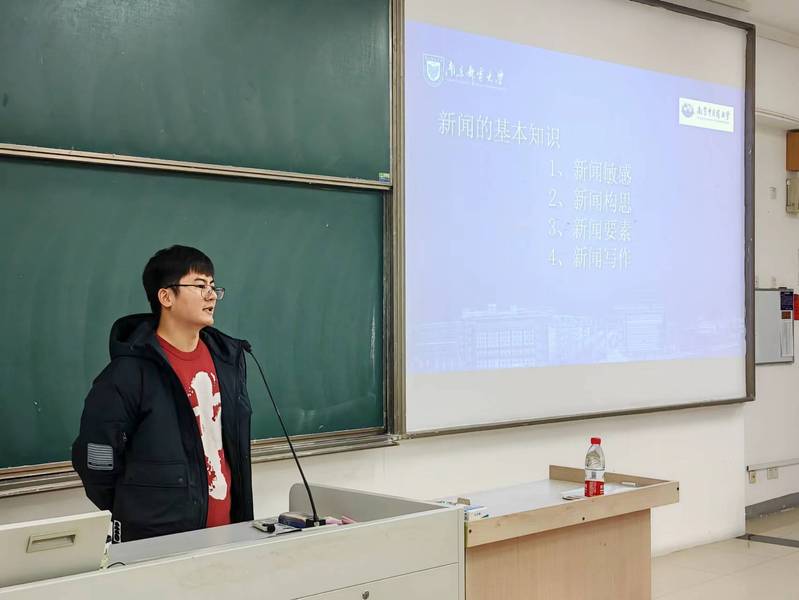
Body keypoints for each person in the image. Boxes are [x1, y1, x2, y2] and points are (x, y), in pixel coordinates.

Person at [72, 245, 253, 542]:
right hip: (159, 540)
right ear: (166, 297)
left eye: (213, 286)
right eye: (199, 285)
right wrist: (137, 509)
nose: (211, 295)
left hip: (230, 532)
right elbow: (97, 459)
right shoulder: (128, 373)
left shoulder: (228, 361)